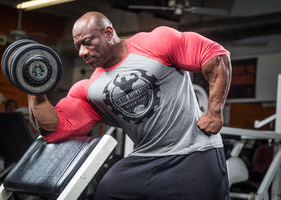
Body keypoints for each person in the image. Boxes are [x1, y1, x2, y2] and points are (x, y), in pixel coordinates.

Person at [28, 11, 232, 200]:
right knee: (108, 192)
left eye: (87, 43)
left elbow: (215, 56)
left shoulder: (156, 43)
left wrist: (214, 112)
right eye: (78, 46)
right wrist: (34, 88)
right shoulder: (89, 90)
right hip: (146, 159)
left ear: (108, 33)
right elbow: (54, 130)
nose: (82, 52)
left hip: (194, 152)